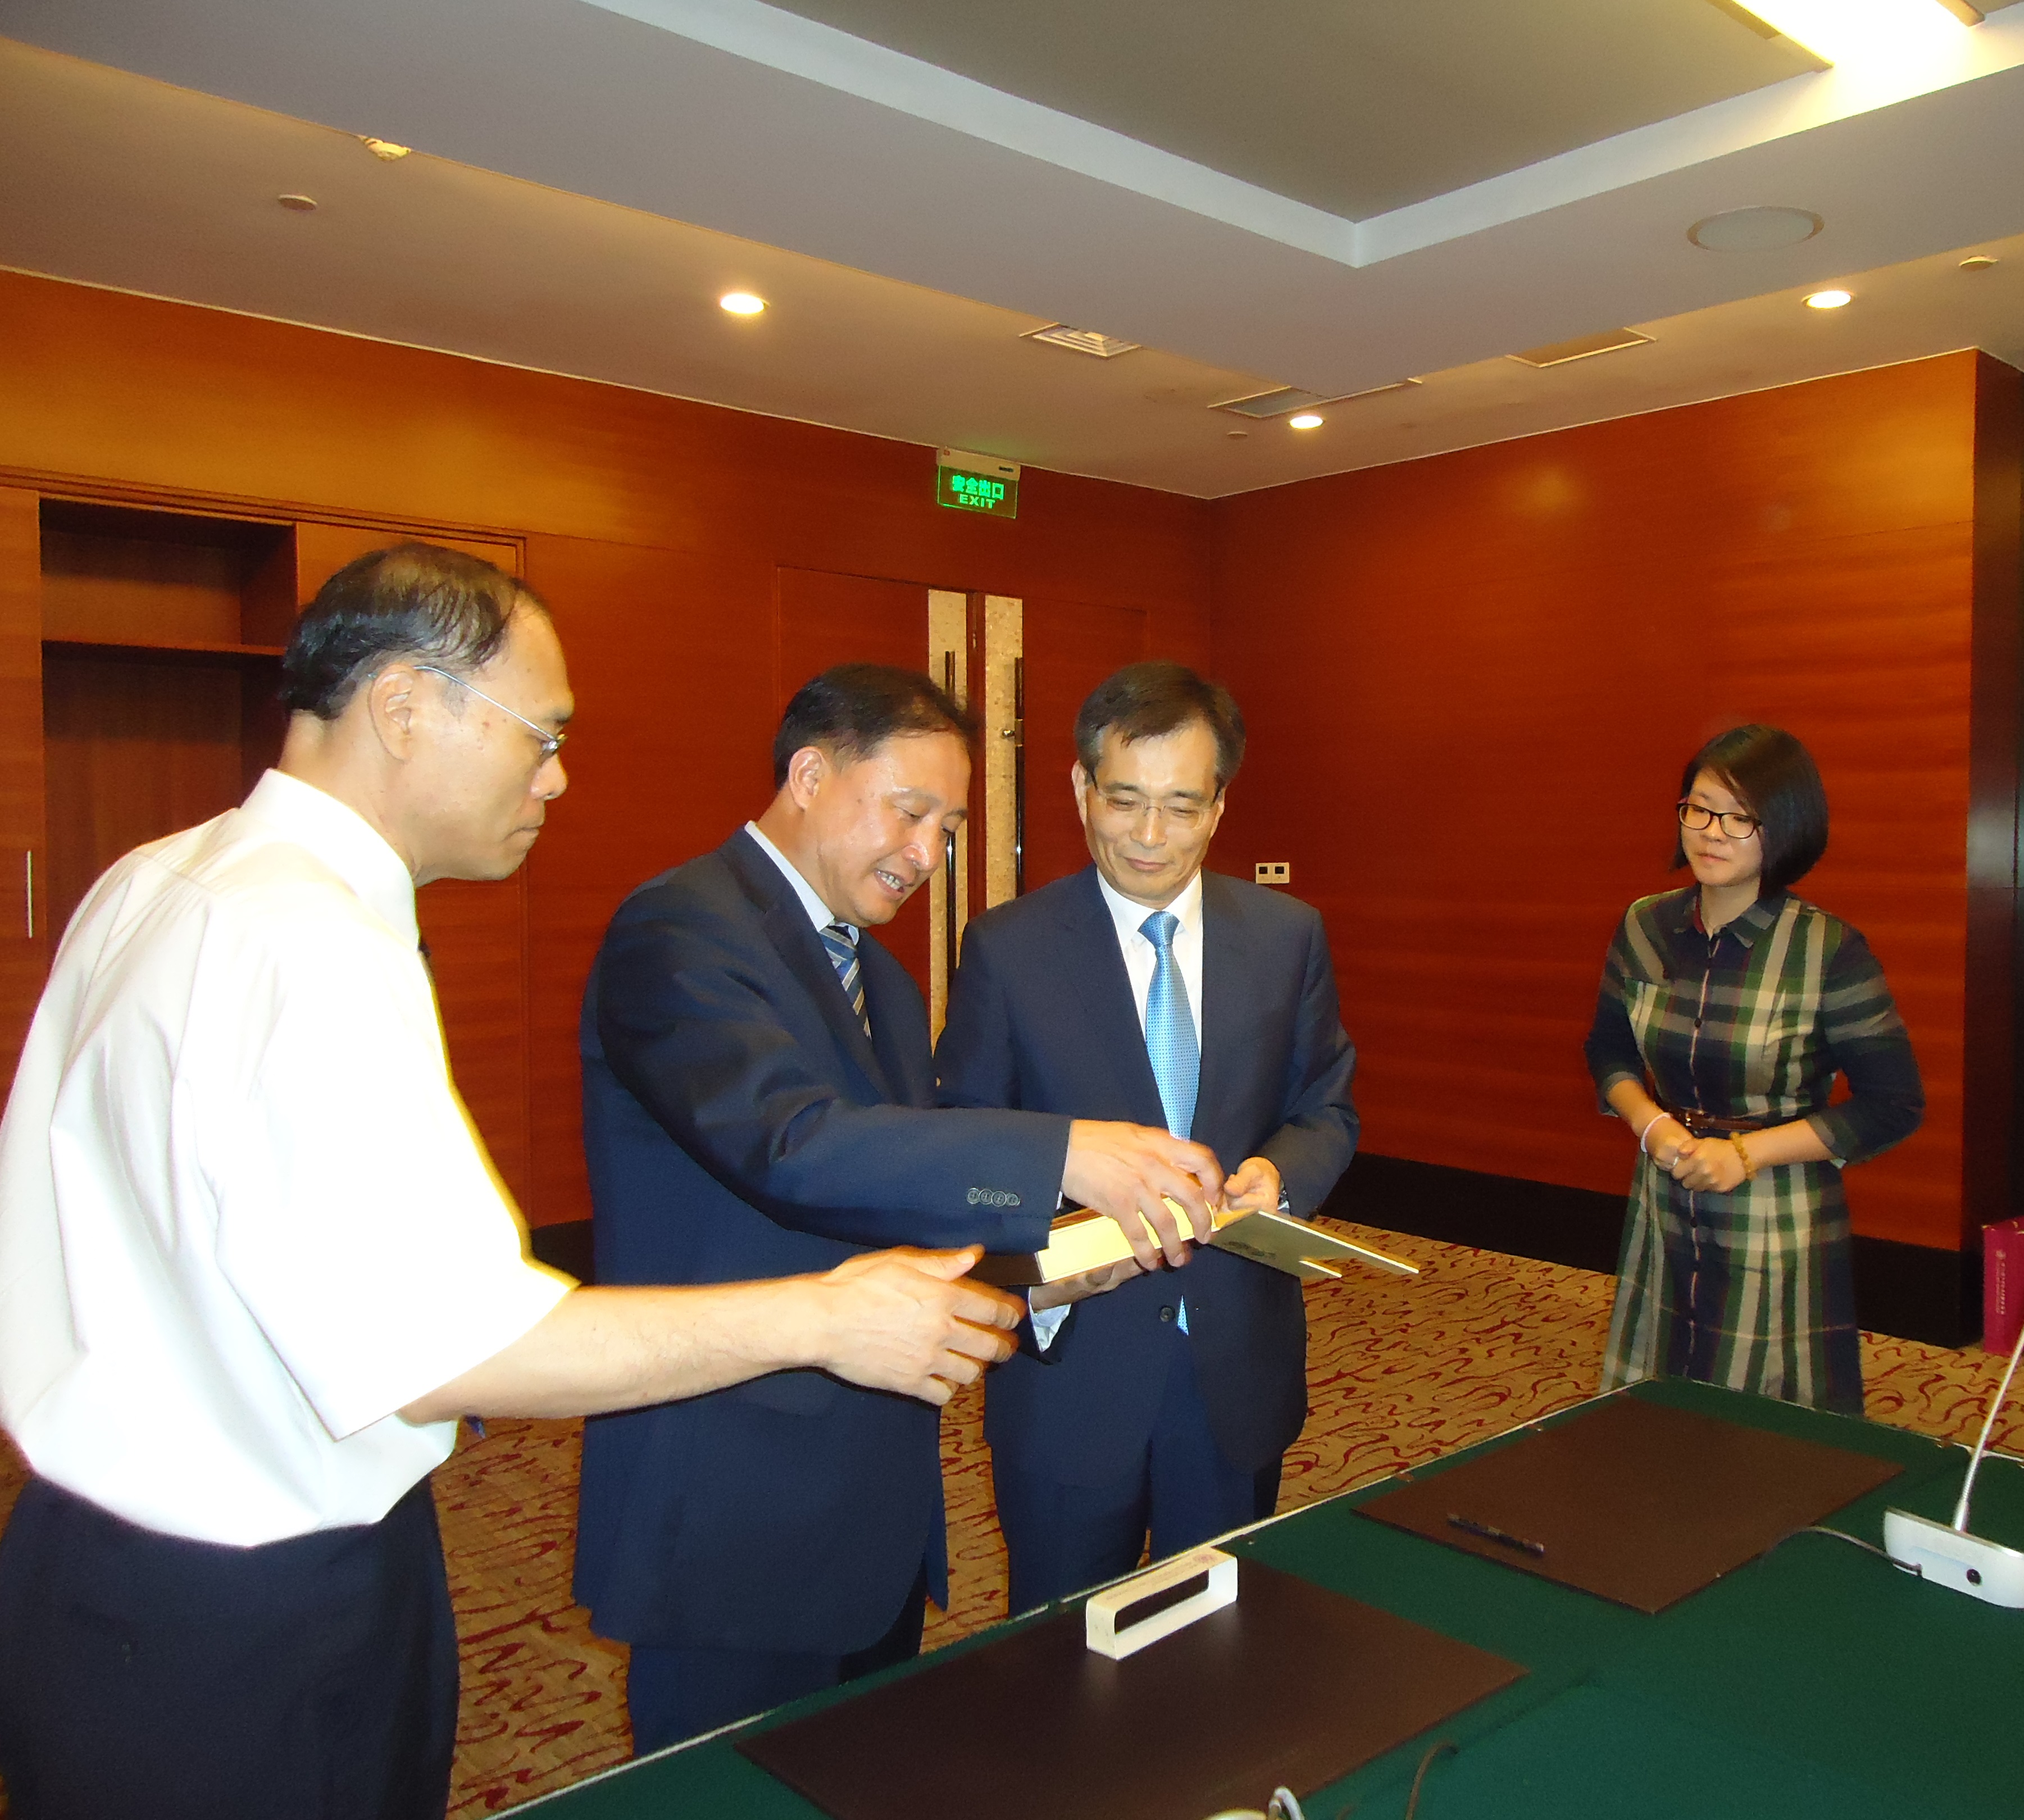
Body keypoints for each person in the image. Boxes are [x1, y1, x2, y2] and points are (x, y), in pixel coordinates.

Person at [0, 547, 1021, 1820]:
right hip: (249, 1613)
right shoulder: (307, 942)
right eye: (541, 733)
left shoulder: (156, 878)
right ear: (403, 706)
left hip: (95, 1562)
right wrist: (825, 1318)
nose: (556, 776)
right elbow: (457, 1344)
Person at [575, 663, 1226, 1754]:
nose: (928, 854)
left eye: (950, 827)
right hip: (735, 1498)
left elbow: (896, 1202)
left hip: (873, 1504)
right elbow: (791, 1144)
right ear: (810, 775)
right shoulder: (680, 929)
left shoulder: (879, 974)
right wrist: (1064, 1152)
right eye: (910, 812)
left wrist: (1049, 1264)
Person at [935, 661, 1358, 1613]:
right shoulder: (1008, 949)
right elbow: (964, 1144)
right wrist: (1044, 1264)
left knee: (1218, 1642)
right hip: (1074, 1365)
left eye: (1180, 805)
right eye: (1125, 800)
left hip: (1235, 1364)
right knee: (1059, 1649)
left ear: (1219, 806)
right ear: (1081, 788)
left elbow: (1326, 1107)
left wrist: (1277, 1177)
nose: (1150, 835)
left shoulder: (1286, 936)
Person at [1586, 725, 1923, 1417]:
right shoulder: (1645, 928)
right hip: (1666, 1193)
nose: (1713, 833)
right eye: (1700, 809)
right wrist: (1649, 1125)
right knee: (1654, 1404)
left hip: (1774, 1208)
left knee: (1765, 1423)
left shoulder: (1827, 950)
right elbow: (1608, 1051)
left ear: (1786, 828)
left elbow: (1893, 1104)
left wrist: (1746, 1154)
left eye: (1741, 818)